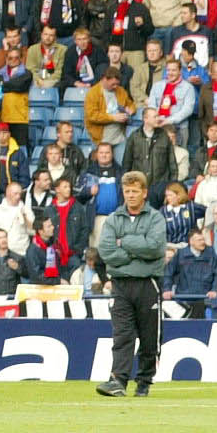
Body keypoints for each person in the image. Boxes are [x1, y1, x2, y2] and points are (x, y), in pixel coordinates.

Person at [93, 168, 165, 397]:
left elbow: (154, 248)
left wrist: (123, 242)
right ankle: (118, 380)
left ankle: (144, 381)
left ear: (144, 193)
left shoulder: (155, 218)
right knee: (122, 335)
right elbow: (106, 251)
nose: (131, 195)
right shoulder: (113, 218)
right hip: (121, 284)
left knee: (148, 337)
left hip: (148, 284)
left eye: (135, 191)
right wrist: (135, 252)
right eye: (127, 191)